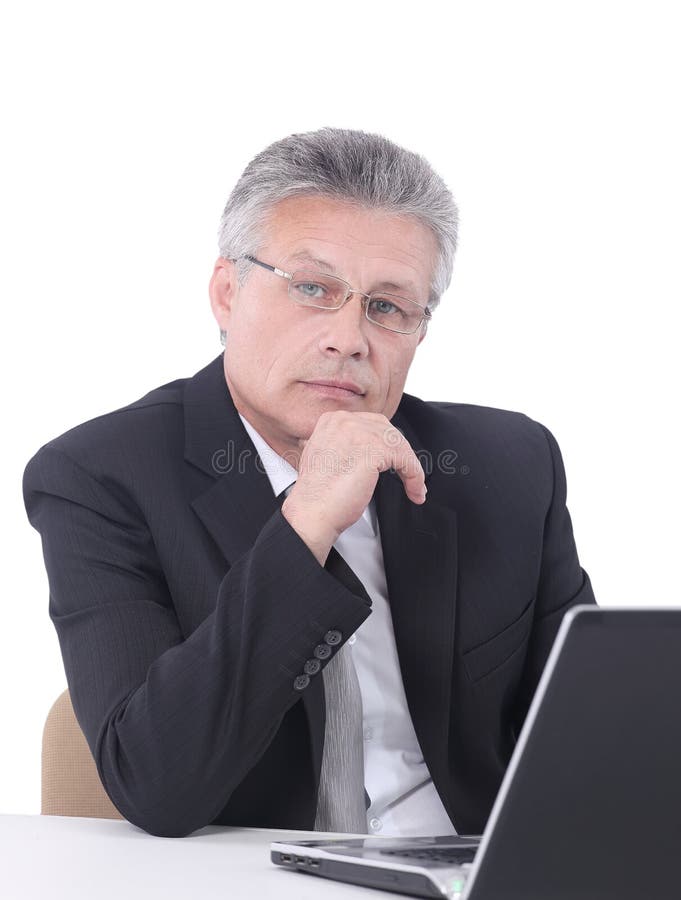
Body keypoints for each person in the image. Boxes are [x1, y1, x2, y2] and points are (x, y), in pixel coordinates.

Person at [23, 127, 596, 839]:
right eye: (312, 289)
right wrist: (307, 523)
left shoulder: (507, 463)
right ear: (227, 293)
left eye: (387, 307)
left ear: (420, 331)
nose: (348, 338)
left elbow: (590, 741)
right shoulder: (100, 477)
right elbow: (157, 785)